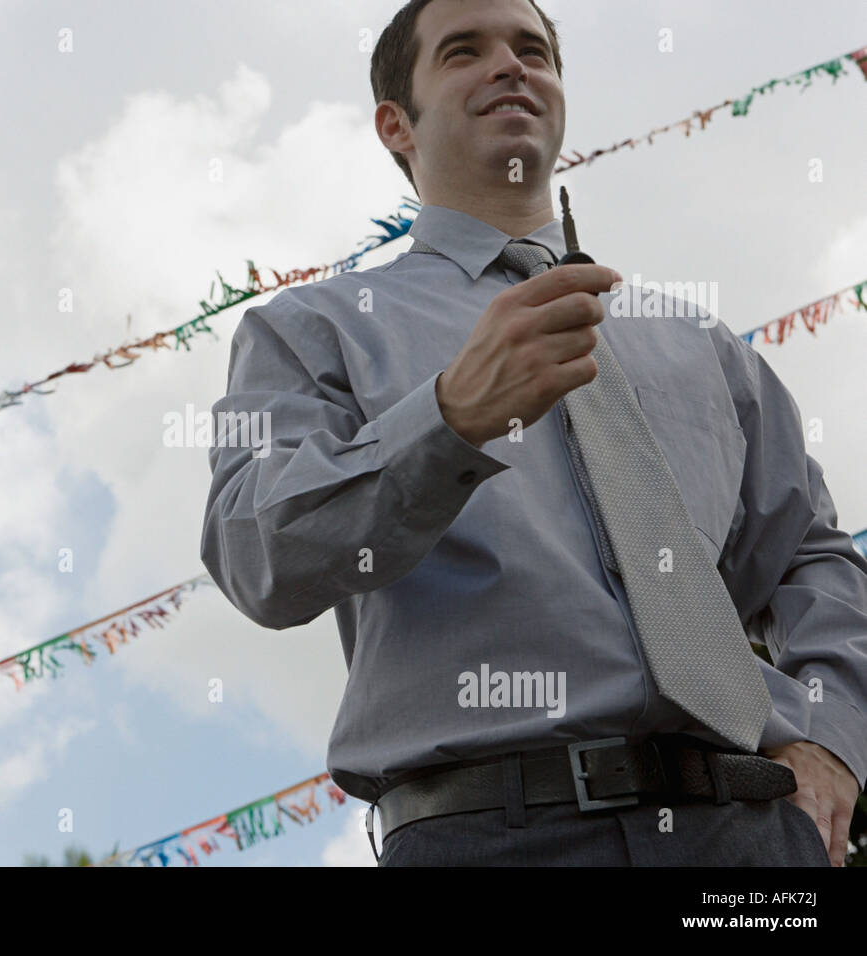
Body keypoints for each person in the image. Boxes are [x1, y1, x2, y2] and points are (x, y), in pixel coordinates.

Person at [199, 0, 867, 866]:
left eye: (533, 51)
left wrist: (830, 736)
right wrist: (448, 420)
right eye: (464, 52)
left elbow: (811, 556)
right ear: (395, 124)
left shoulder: (698, 342)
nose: (510, 67)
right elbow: (259, 556)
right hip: (489, 838)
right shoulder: (314, 328)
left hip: (749, 837)